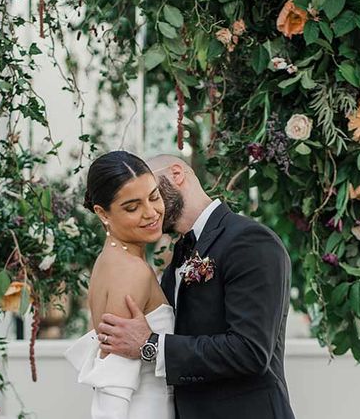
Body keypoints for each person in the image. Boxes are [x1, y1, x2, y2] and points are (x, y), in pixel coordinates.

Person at [96, 154, 296, 419]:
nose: (150, 210)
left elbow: (251, 351)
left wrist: (151, 345)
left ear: (177, 174)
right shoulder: (178, 255)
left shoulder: (249, 240)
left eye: (153, 193)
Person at [65, 150, 175, 419]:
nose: (151, 213)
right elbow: (112, 384)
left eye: (154, 197)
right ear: (102, 213)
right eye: (132, 207)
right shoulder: (131, 271)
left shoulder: (109, 261)